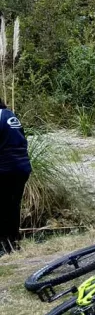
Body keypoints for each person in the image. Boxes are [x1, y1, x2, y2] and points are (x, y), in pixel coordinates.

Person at [0, 98, 31, 255]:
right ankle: (13, 242)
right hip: (22, 168)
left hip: (5, 169)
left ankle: (4, 244)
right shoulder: (10, 115)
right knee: (12, 205)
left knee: (3, 206)